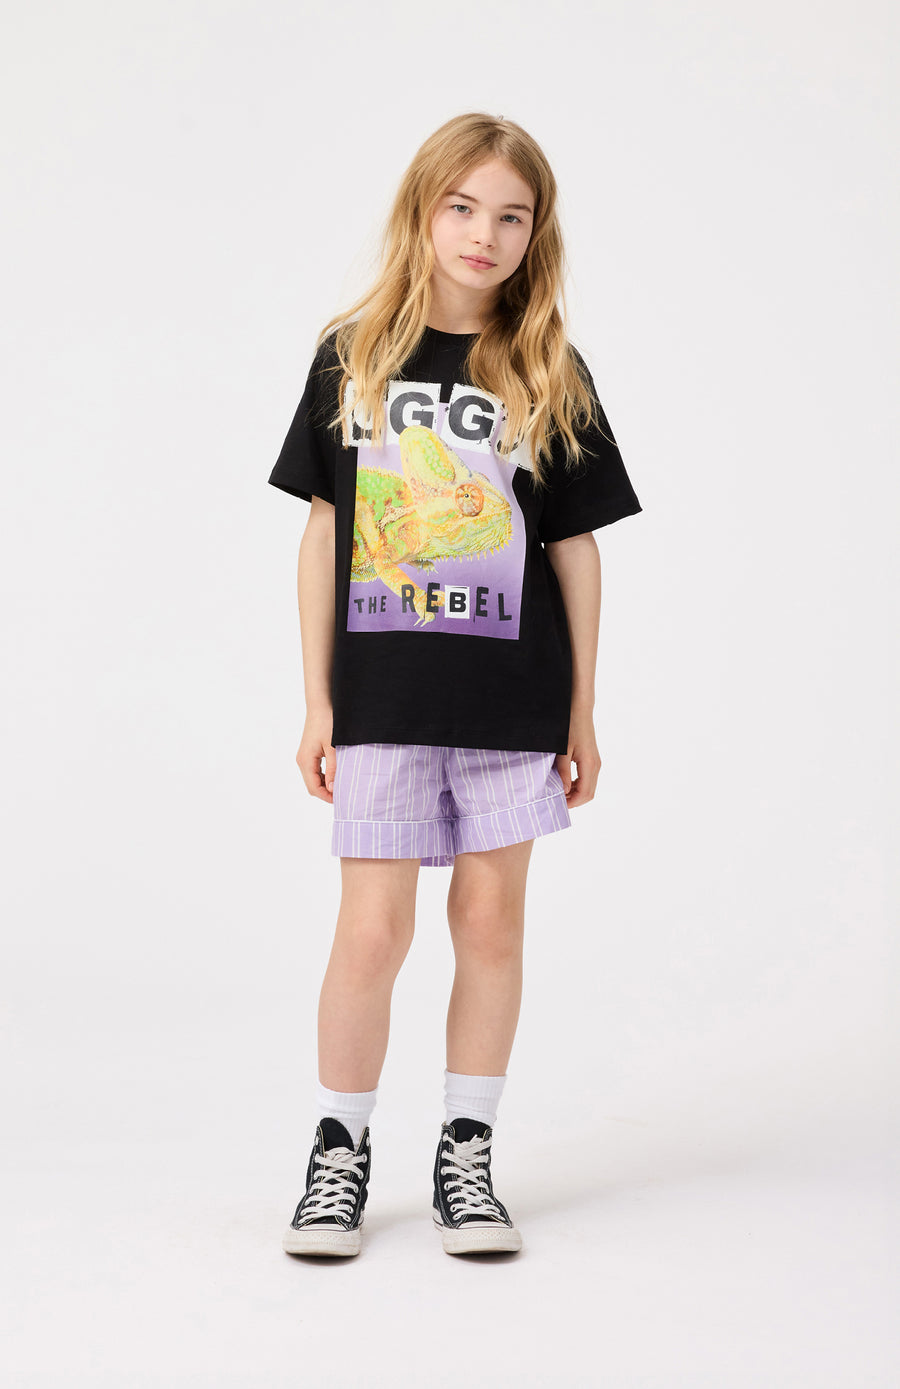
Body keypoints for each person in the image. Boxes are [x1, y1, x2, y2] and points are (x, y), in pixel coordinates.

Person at [267, 111, 642, 1258]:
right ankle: (338, 1152)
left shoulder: (545, 368)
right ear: (422, 212)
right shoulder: (353, 356)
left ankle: (466, 1155)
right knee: (371, 933)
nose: (485, 234)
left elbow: (574, 546)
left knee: (489, 923)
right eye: (463, 207)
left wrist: (581, 710)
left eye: (512, 216)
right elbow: (323, 530)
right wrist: (319, 700)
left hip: (511, 702)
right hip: (383, 697)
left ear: (537, 235)